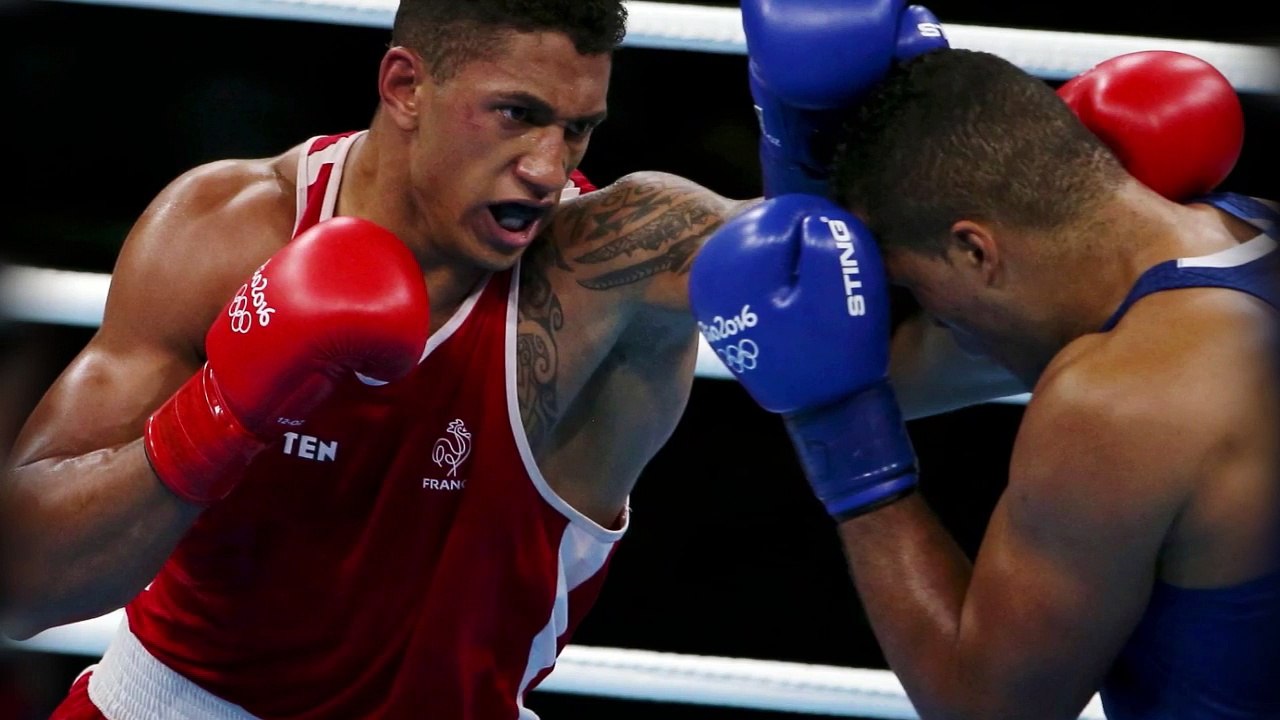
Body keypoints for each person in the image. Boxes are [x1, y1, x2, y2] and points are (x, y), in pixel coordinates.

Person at [0, 1, 1007, 718]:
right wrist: (224, 410)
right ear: (405, 85)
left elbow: (899, 354)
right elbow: (26, 582)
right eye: (517, 114)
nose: (547, 167)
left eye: (577, 128)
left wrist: (876, 153)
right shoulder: (229, 231)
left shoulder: (615, 261)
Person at [691, 40, 1279, 720]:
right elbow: (897, 379)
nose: (933, 321)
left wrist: (843, 441)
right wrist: (797, 166)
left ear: (975, 250)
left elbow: (986, 710)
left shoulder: (1124, 400)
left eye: (915, 289)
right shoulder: (1242, 232)